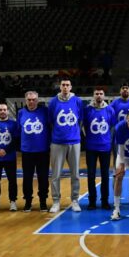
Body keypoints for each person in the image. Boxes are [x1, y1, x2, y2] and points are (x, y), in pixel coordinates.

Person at [48, 77, 83, 213]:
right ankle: (56, 201)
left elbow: (80, 120)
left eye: (67, 85)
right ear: (60, 86)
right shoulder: (53, 102)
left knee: (75, 174)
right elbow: (51, 121)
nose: (65, 87)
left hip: (74, 142)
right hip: (57, 142)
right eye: (63, 85)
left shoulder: (77, 101)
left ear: (71, 87)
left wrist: (73, 133)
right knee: (56, 174)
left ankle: (75, 200)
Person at [18, 91, 51, 212]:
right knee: (27, 178)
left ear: (37, 100)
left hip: (43, 151)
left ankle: (43, 201)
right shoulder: (21, 112)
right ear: (25, 100)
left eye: (33, 99)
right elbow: (19, 130)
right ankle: (28, 202)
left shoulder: (45, 111)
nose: (31, 102)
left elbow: (50, 127)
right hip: (27, 151)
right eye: (29, 100)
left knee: (43, 177)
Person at [83, 88, 116, 210]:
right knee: (91, 175)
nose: (99, 95)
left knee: (105, 175)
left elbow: (112, 127)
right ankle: (92, 201)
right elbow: (83, 126)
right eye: (96, 93)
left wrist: (108, 140)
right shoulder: (87, 110)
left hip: (105, 147)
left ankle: (105, 201)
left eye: (101, 93)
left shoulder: (110, 110)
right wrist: (88, 138)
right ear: (93, 95)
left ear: (104, 95)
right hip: (91, 147)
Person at [110, 83, 129, 205]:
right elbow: (111, 123)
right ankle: (116, 196)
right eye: (123, 88)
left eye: (127, 88)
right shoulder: (114, 104)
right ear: (120, 91)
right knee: (117, 170)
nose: (125, 90)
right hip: (119, 140)